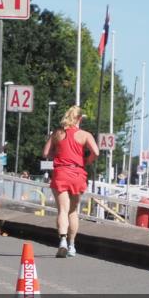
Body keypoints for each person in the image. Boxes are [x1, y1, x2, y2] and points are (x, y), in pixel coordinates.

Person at [42, 105, 99, 258]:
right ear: (80, 118)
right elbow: (96, 152)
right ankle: (72, 245)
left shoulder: (57, 133)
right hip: (77, 173)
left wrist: (58, 155)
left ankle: (62, 242)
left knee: (62, 210)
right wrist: (87, 160)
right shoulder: (85, 135)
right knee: (73, 211)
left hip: (61, 172)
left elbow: (45, 153)